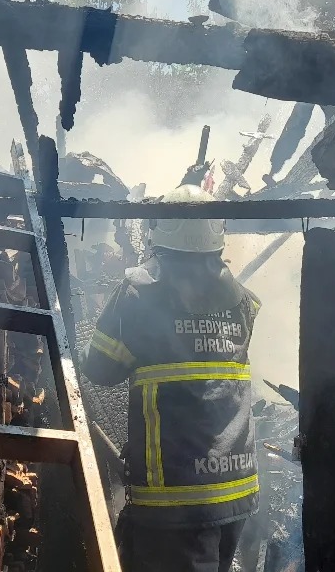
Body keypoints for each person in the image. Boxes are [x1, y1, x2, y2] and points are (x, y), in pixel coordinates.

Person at [81, 185, 262, 572]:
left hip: (175, 493)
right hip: (236, 487)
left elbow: (100, 368)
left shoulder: (137, 294)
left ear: (157, 232)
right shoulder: (244, 301)